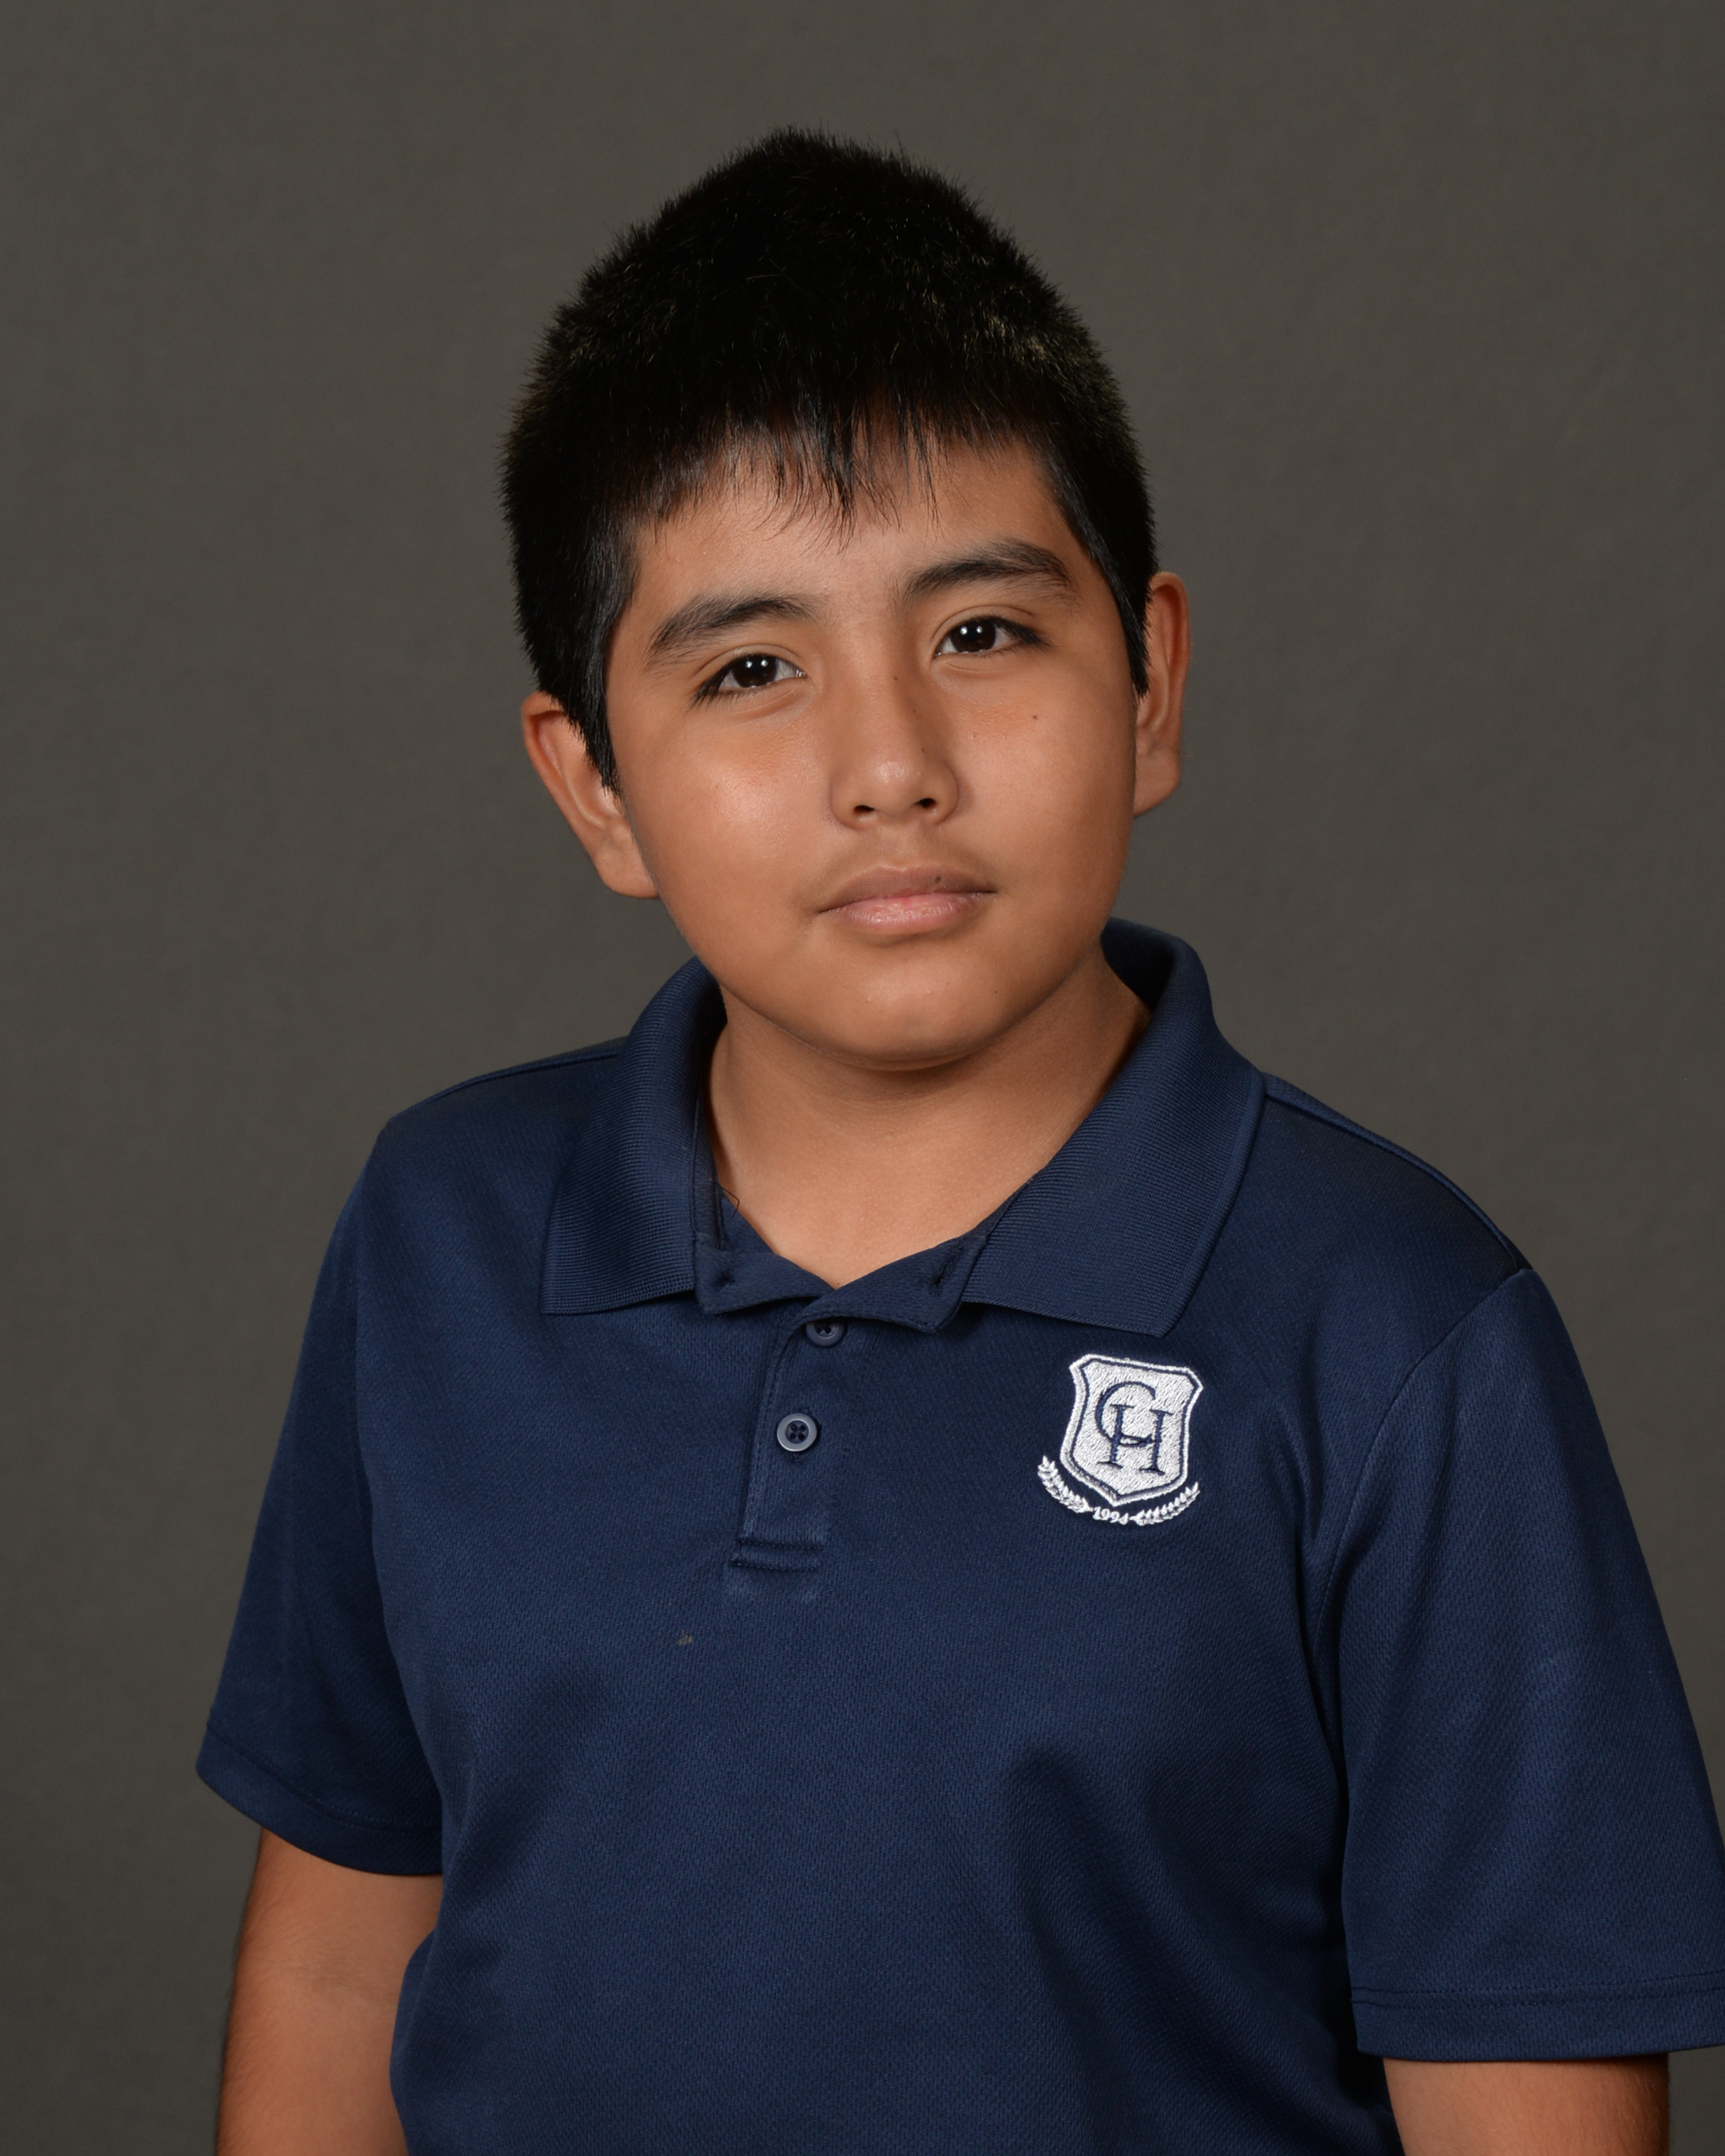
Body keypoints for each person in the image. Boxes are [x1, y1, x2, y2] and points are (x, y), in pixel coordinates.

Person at [200, 132, 1725, 2155]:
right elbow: (338, 1963)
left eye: (982, 634)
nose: (889, 766)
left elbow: (1522, 2100)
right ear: (597, 788)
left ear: (1150, 682)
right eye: (751, 668)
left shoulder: (1397, 1331)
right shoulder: (441, 1237)